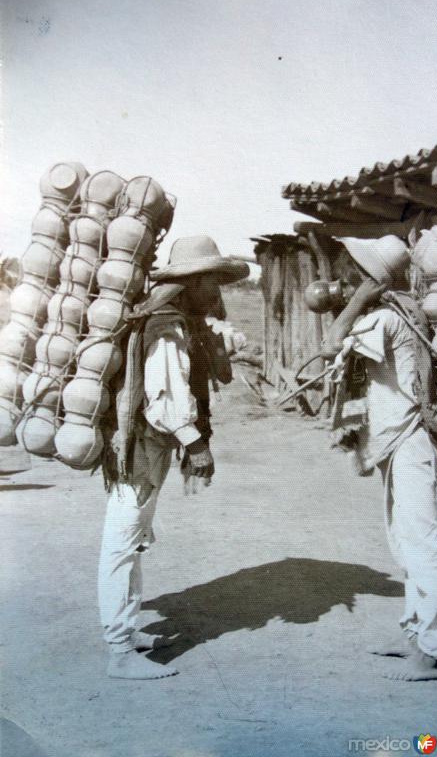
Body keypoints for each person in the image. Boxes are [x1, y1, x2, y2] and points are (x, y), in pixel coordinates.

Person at [97, 236, 249, 679]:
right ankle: (119, 649)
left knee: (133, 538)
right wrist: (197, 445)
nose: (218, 290)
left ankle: (127, 630)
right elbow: (163, 400)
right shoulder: (166, 326)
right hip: (140, 447)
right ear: (191, 281)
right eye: (212, 281)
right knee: (122, 542)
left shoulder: (176, 318)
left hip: (147, 446)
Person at [321, 235, 437, 681]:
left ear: (370, 279)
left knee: (421, 545)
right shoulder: (405, 309)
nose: (342, 279)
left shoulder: (383, 317)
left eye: (353, 274)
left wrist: (360, 297)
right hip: (404, 441)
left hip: (409, 440)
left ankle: (431, 652)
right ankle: (415, 632)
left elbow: (331, 341)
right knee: (406, 543)